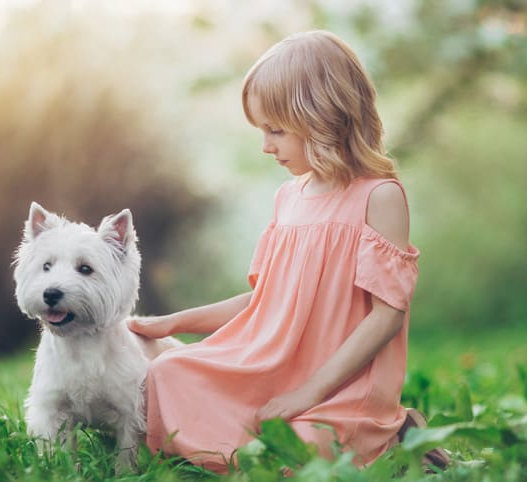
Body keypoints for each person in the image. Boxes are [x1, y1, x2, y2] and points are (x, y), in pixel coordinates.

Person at [128, 30, 448, 473]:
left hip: (340, 387)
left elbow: (387, 315)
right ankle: (244, 440)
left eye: (275, 131)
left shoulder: (380, 197)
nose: (265, 146)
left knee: (294, 454)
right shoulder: (288, 198)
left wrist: (308, 393)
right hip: (275, 368)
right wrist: (171, 324)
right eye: (262, 131)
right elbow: (264, 301)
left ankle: (392, 435)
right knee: (170, 373)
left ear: (323, 119)